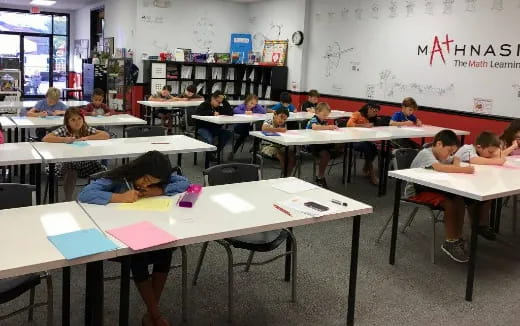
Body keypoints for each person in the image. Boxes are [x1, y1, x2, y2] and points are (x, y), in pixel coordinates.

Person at [78, 151, 190, 326]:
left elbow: (184, 183)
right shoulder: (120, 177)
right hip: (123, 236)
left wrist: (159, 190)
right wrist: (118, 197)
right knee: (139, 255)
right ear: (138, 170)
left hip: (153, 228)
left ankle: (150, 314)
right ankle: (155, 315)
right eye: (144, 179)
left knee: (166, 249)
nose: (146, 184)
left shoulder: (159, 181)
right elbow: (85, 194)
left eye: (152, 182)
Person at [404, 129, 475, 263]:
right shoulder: (426, 153)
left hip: (432, 189)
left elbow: (456, 159)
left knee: (459, 199)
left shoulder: (441, 155)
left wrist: (455, 159)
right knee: (448, 203)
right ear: (439, 144)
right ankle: (450, 241)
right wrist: (463, 169)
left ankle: (457, 237)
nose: (450, 154)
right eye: (449, 151)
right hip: (416, 192)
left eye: (452, 152)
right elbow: (440, 168)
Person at [42, 108, 110, 201]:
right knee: (71, 169)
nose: (77, 122)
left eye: (79, 119)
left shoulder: (85, 128)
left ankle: (97, 196)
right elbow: (46, 138)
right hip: (65, 163)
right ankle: (68, 199)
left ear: (83, 119)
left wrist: (87, 138)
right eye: (73, 120)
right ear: (67, 122)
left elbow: (105, 135)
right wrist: (64, 139)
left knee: (103, 170)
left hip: (85, 163)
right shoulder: (65, 129)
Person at [347, 103, 381, 185]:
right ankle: (372, 175)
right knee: (367, 148)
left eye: (377, 112)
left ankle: (366, 168)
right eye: (374, 111)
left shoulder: (372, 118)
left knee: (374, 149)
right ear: (368, 108)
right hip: (354, 140)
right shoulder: (357, 114)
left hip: (365, 140)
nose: (375, 113)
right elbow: (349, 124)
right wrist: (363, 125)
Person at [306, 102, 338, 188]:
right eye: (324, 115)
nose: (325, 117)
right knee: (326, 155)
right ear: (317, 112)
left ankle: (321, 174)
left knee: (335, 148)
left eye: (327, 115)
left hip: (320, 143)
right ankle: (320, 176)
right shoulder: (314, 119)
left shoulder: (323, 121)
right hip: (312, 144)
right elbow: (315, 127)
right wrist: (329, 127)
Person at [195, 90, 233, 161]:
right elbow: (198, 112)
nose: (219, 104)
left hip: (215, 128)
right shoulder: (205, 104)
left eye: (220, 102)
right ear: (212, 98)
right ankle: (210, 156)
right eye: (217, 102)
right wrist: (212, 113)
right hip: (203, 128)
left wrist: (224, 101)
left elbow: (230, 113)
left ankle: (214, 152)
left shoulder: (219, 107)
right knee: (209, 139)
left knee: (227, 134)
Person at [261, 107, 296, 175]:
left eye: (284, 119)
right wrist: (279, 130)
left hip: (279, 146)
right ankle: (284, 175)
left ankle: (287, 176)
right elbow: (264, 128)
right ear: (275, 114)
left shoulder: (282, 125)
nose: (282, 120)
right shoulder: (269, 120)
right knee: (281, 156)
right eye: (281, 117)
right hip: (267, 146)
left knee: (292, 155)